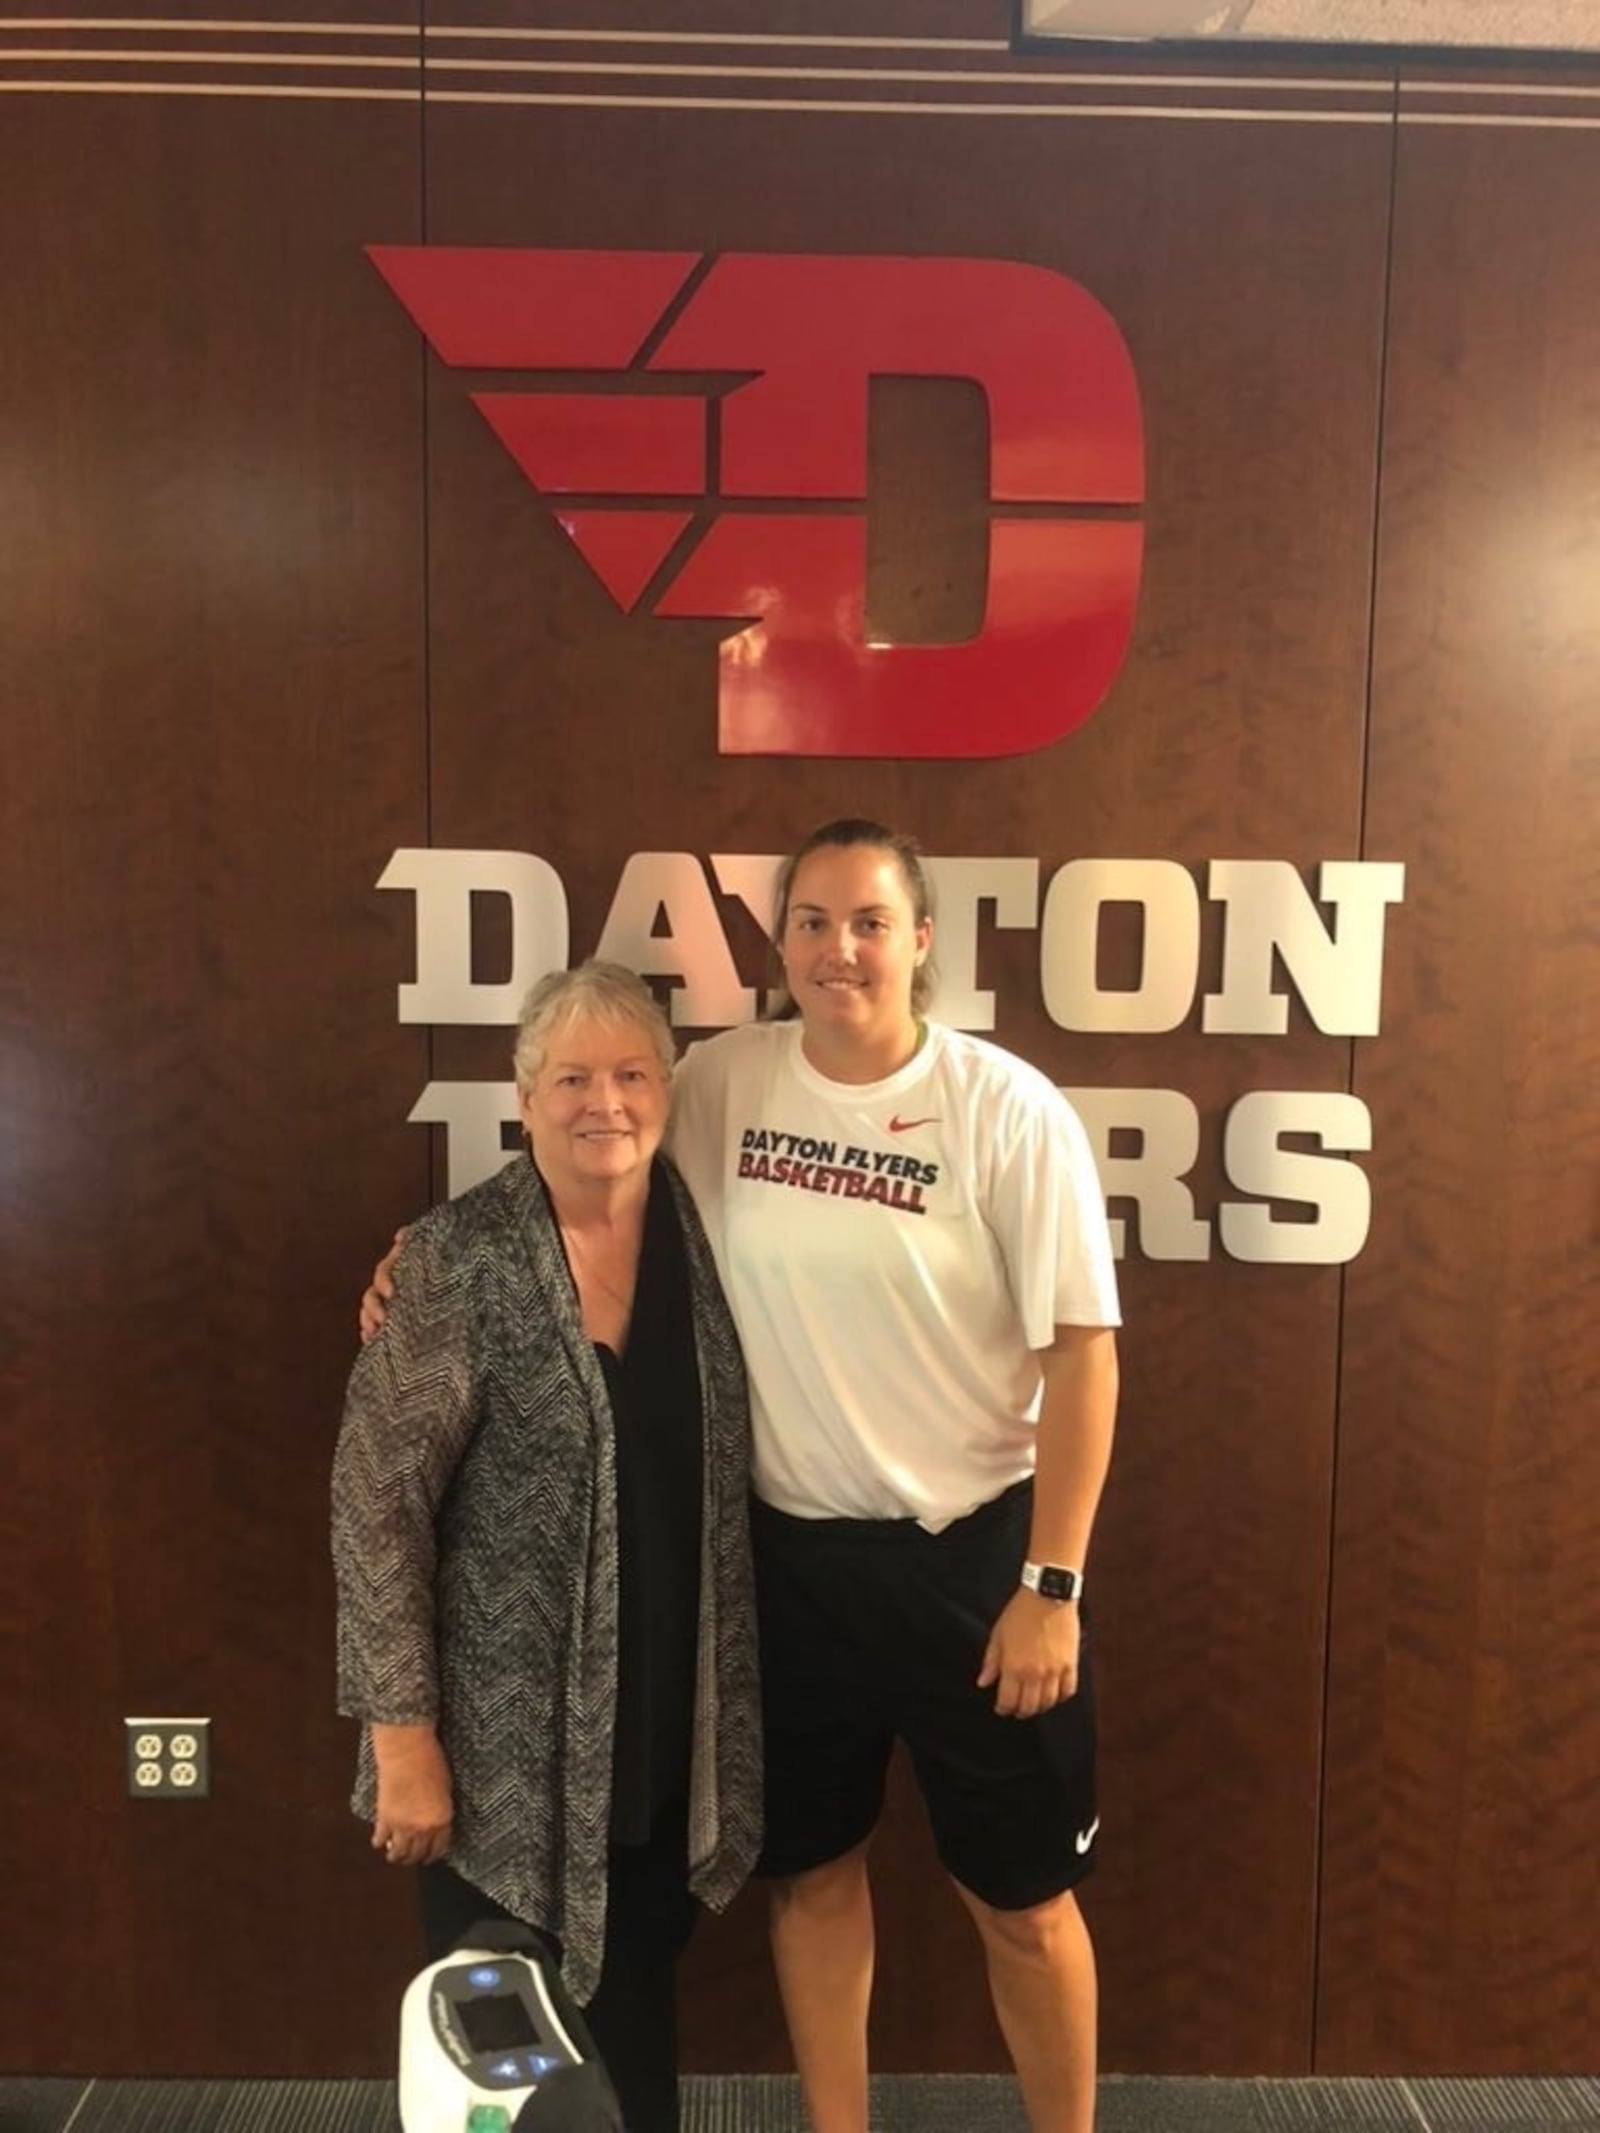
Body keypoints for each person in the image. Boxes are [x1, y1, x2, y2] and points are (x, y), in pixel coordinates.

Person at [362, 820, 1120, 2133]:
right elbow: (589, 1156)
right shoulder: (722, 1081)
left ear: (921, 939)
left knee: (1024, 1901)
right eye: (814, 922)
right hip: (791, 1569)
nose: (840, 949)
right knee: (811, 1879)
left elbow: (1087, 1355)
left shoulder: (1006, 1108)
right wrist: (422, 1258)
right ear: (783, 943)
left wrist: (1053, 1579)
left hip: (977, 1564)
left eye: (870, 922)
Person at [332, 962, 761, 2133]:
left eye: (629, 1074)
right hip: (495, 1760)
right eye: (570, 1077)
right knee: (508, 2073)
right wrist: (402, 1738)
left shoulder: (711, 1241)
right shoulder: (456, 1258)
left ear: (666, 1091)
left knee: (633, 2032)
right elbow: (375, 1508)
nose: (603, 1103)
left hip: (661, 1737)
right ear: (524, 1101)